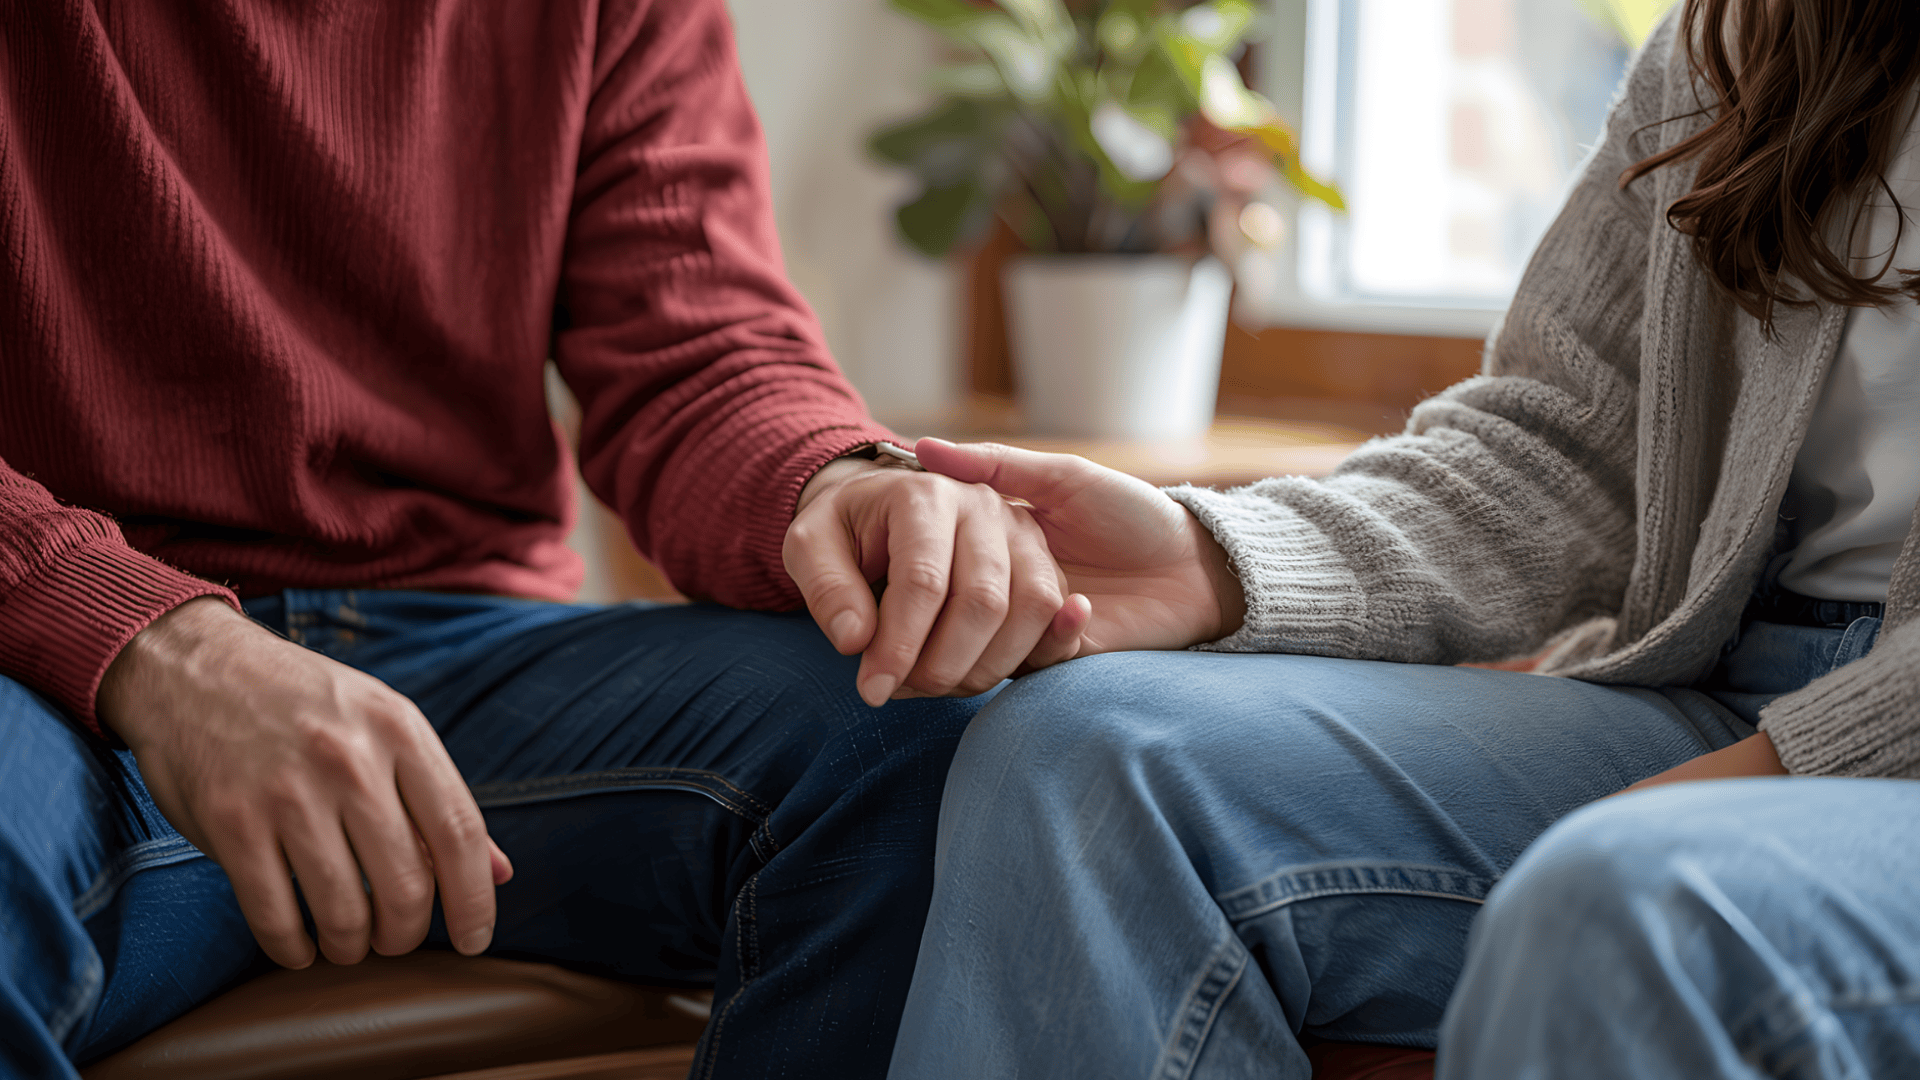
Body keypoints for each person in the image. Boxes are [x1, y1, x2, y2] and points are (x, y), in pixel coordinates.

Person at [0, 2, 1090, 1077]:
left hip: (465, 653)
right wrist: (156, 646)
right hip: (59, 680)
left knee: (926, 739)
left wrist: (835, 478)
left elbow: (696, 342)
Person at [885, 0, 1920, 1076]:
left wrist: (1774, 769)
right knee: (1088, 754)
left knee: (1637, 911)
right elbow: (1568, 444)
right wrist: (1217, 560)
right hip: (1729, 676)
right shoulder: (1747, 39)